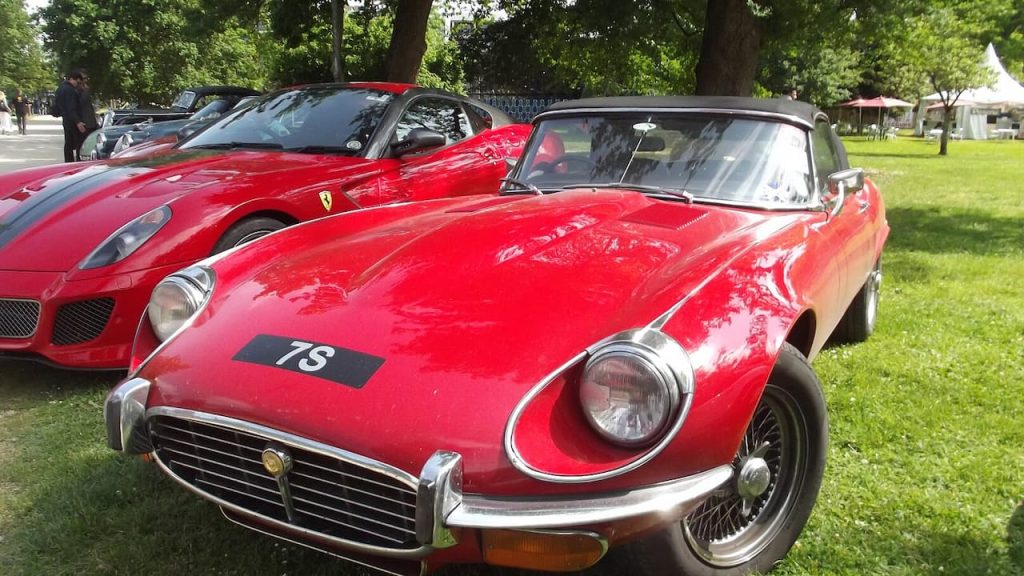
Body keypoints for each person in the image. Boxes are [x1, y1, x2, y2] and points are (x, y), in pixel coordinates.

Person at [55, 69, 90, 161]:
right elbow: (71, 108)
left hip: (65, 119)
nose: (77, 85)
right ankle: (75, 162)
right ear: (73, 79)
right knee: (77, 143)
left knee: (68, 143)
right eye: (77, 82)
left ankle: (68, 161)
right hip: (72, 120)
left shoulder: (60, 88)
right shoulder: (70, 90)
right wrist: (78, 122)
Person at [77, 77, 99, 151]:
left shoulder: (83, 92)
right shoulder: (81, 92)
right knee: (83, 142)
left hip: (89, 122)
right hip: (86, 122)